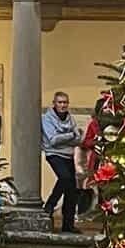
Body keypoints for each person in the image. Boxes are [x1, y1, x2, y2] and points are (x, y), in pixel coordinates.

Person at [41, 91, 81, 233]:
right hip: (54, 154)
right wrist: (70, 135)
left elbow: (78, 139)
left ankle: (68, 225)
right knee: (65, 178)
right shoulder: (47, 119)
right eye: (60, 102)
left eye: (65, 102)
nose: (63, 105)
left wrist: (64, 137)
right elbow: (52, 140)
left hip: (69, 155)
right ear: (54, 103)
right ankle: (50, 205)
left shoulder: (71, 119)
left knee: (72, 190)